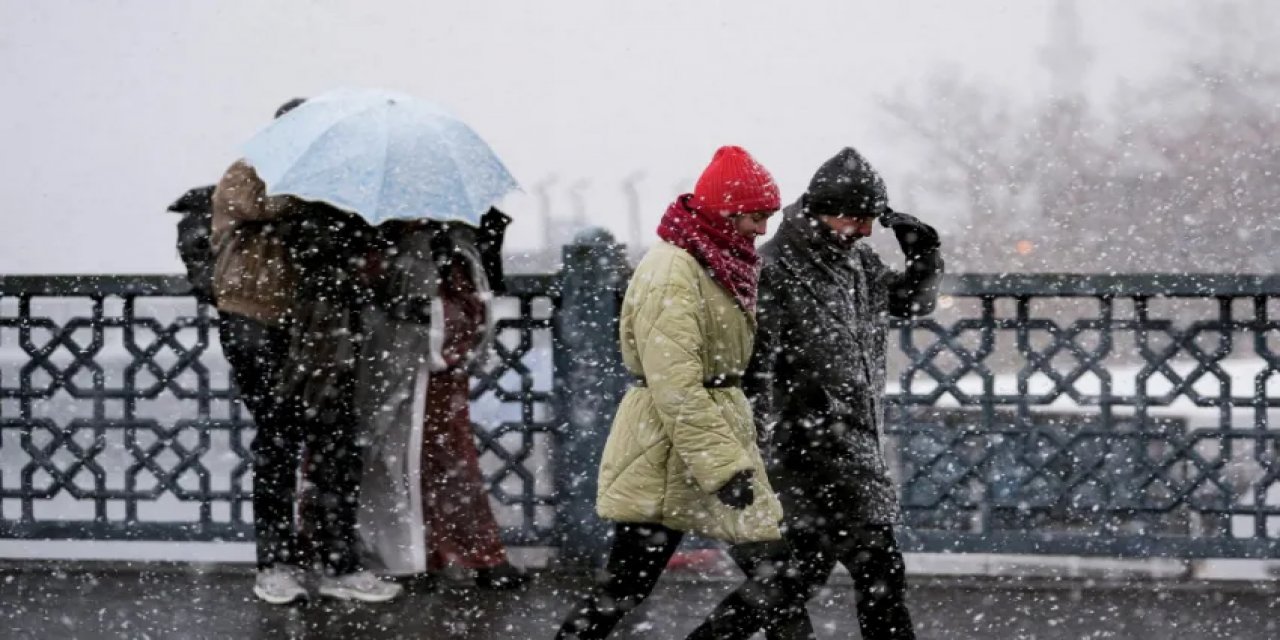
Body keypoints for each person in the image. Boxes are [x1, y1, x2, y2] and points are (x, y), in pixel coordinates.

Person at [554, 146, 814, 640]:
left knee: (776, 581)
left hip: (704, 438)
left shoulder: (717, 261)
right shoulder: (672, 270)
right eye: (756, 217)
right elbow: (674, 383)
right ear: (726, 211)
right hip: (671, 448)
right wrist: (723, 465)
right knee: (630, 586)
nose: (763, 230)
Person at [689, 147, 944, 639]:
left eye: (873, 219)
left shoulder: (858, 264)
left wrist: (923, 256)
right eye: (857, 218)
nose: (867, 230)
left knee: (844, 578)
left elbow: (911, 304)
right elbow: (753, 372)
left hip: (850, 450)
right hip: (799, 455)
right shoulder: (774, 269)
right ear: (822, 210)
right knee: (833, 581)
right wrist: (749, 462)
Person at [212, 97, 401, 604]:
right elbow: (258, 210)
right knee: (277, 439)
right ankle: (275, 564)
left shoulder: (337, 189)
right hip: (256, 317)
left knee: (338, 440)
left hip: (323, 324)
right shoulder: (249, 170)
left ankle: (339, 563)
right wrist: (313, 191)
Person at [418, 210, 530, 589]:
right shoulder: (447, 239)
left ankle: (432, 556)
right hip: (431, 362)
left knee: (434, 456)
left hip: (435, 363)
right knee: (445, 456)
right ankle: (470, 555)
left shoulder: (446, 241)